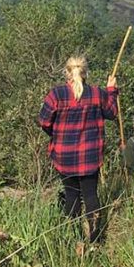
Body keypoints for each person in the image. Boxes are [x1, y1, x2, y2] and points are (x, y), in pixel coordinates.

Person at [38, 55, 117, 243]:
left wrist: (56, 136)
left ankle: (76, 239)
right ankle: (96, 239)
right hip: (90, 156)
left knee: (71, 195)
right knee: (91, 194)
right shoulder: (97, 94)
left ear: (67, 73)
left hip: (64, 156)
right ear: (85, 73)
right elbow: (112, 113)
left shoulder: (56, 95)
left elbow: (44, 121)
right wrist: (112, 90)